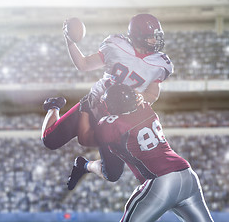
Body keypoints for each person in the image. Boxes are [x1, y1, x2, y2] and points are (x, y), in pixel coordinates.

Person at [67, 84, 215, 222]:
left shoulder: (112, 124)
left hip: (161, 181)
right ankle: (85, 166)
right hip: (187, 175)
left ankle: (85, 165)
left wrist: (85, 110)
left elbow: (85, 138)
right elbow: (137, 99)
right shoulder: (146, 108)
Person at [41, 13, 173, 149]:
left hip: (121, 116)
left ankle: (88, 164)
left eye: (157, 36)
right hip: (93, 104)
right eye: (151, 37)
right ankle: (54, 106)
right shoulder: (116, 45)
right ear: (137, 36)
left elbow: (152, 94)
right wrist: (70, 41)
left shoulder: (160, 64)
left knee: (112, 159)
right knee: (50, 141)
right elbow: (84, 64)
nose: (156, 40)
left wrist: (142, 97)